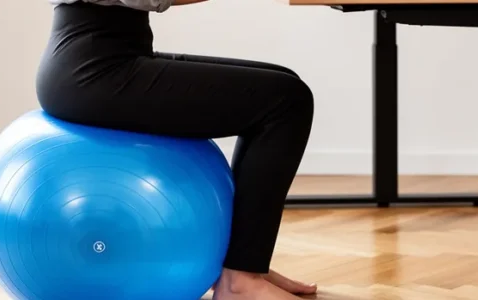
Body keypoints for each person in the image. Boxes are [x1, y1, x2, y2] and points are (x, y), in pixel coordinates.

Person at [36, 1, 317, 299]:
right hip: (93, 72)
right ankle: (240, 281)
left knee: (286, 83)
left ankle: (245, 264)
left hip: (100, 58)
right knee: (287, 102)